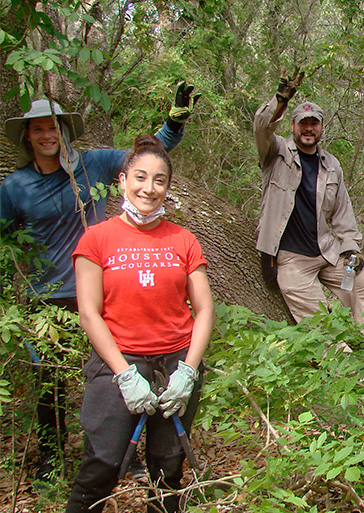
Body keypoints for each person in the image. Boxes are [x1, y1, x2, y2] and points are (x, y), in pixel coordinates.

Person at [0, 83, 196, 479]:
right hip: (48, 297)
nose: (47, 135)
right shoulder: (14, 187)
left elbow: (147, 159)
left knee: (113, 374)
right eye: (38, 129)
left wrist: (173, 123)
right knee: (49, 381)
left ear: (66, 132)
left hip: (103, 292)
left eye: (54, 127)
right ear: (27, 136)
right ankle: (50, 459)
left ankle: (124, 454)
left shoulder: (93, 164)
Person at [65, 135, 214, 513]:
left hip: (175, 364)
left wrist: (189, 372)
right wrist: (124, 375)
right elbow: (89, 313)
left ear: (167, 187)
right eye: (141, 177)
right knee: (101, 465)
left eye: (160, 180)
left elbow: (204, 310)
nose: (149, 188)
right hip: (118, 361)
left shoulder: (183, 240)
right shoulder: (97, 239)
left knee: (167, 469)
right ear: (122, 180)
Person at [254, 68, 364, 324]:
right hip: (291, 259)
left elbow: (342, 213)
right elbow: (261, 128)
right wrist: (280, 100)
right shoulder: (276, 152)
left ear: (321, 127)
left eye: (313, 123)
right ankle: (342, 362)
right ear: (292, 125)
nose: (308, 128)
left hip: (327, 251)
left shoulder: (331, 164)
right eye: (303, 123)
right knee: (319, 321)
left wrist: (352, 249)